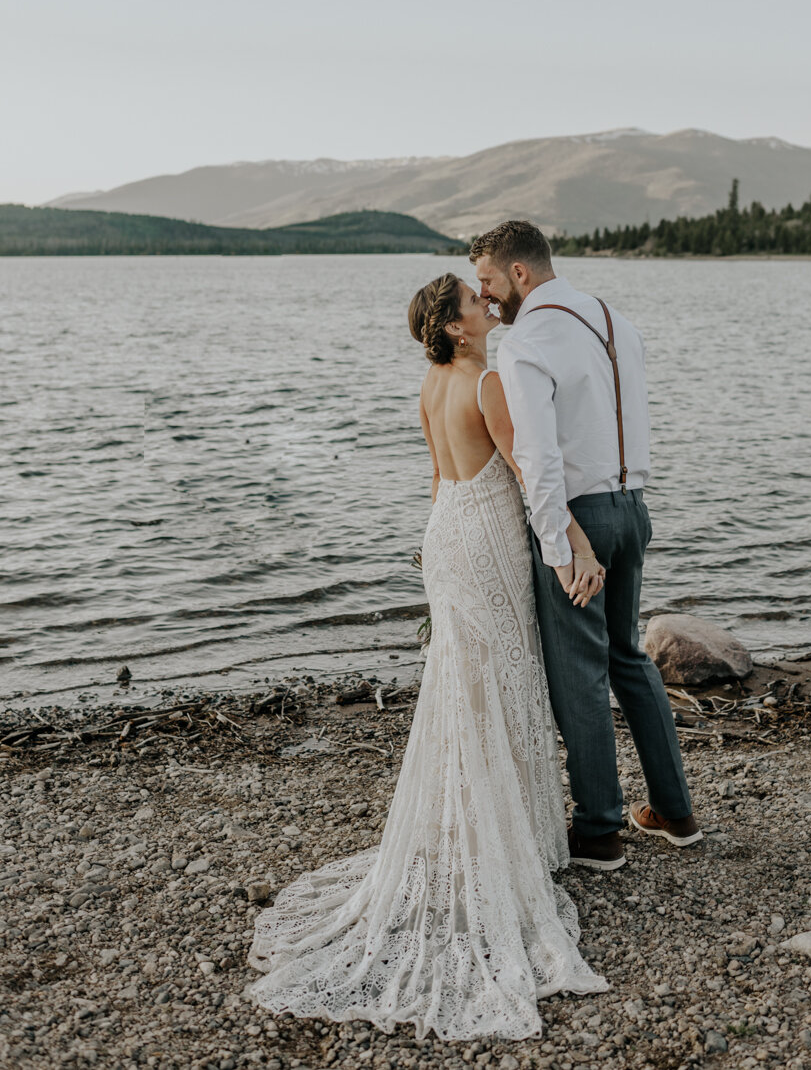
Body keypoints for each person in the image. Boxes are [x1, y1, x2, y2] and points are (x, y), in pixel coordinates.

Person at [246, 273, 607, 1042]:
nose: (489, 309)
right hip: (484, 541)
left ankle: (474, 833)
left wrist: (429, 547)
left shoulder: (427, 385)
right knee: (497, 683)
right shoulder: (485, 384)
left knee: (462, 687)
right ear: (453, 328)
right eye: (476, 306)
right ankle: (498, 846)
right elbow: (522, 470)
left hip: (444, 533)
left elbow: (437, 476)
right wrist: (574, 541)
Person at [471, 220, 702, 871]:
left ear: (518, 273)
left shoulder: (528, 341)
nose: (485, 298)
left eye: (487, 282)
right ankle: (674, 813)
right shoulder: (613, 321)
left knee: (579, 674)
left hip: (582, 519)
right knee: (627, 656)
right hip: (633, 509)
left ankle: (599, 831)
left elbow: (537, 458)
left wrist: (557, 545)